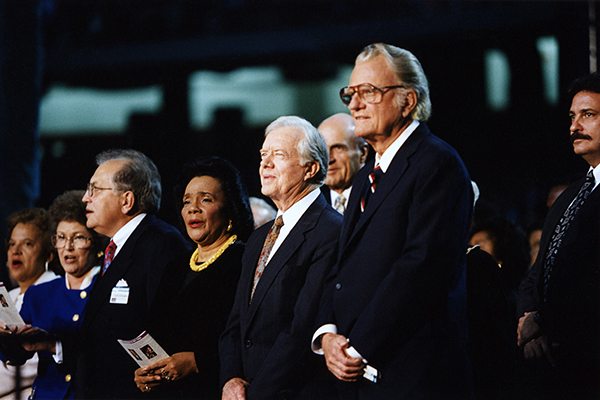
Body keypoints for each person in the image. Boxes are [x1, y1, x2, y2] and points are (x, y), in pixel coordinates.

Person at [312, 43, 473, 399]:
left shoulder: (437, 163)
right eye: (350, 93)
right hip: (357, 371)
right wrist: (327, 334)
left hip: (411, 374)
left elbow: (421, 268)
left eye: (368, 91)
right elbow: (342, 265)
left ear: (408, 99)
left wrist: (357, 347)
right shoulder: (366, 173)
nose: (354, 104)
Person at [219, 116, 343, 399]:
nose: (265, 164)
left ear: (310, 168)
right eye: (263, 155)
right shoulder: (259, 237)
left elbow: (302, 327)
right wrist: (230, 378)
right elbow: (236, 322)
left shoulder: (331, 231)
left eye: (278, 155)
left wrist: (257, 394)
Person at [62, 149, 190, 399]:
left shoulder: (162, 244)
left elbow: (168, 331)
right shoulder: (115, 250)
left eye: (95, 190)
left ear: (127, 201)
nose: (85, 199)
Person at [133, 156, 254, 399]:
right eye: (187, 201)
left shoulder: (243, 259)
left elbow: (247, 336)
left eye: (206, 199)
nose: (193, 208)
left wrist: (197, 362)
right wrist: (144, 372)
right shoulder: (176, 267)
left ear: (230, 209)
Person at [517, 73, 600, 399]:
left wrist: (541, 320)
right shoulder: (570, 196)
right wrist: (529, 323)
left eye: (588, 115)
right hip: (557, 366)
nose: (574, 127)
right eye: (571, 117)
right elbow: (538, 272)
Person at [0, 190, 108, 399]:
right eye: (61, 238)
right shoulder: (40, 294)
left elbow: (105, 354)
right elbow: (18, 356)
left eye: (78, 238)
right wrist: (6, 340)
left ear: (96, 243)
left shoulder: (106, 288)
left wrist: (52, 344)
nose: (67, 247)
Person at [0, 208, 59, 400]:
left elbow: (29, 364)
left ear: (49, 254)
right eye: (11, 244)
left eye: (27, 243)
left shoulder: (55, 293)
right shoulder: (10, 295)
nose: (15, 251)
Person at [317, 113, 368, 214]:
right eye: (322, 150)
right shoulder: (312, 202)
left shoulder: (379, 194)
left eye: (338, 148)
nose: (328, 160)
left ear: (362, 153)